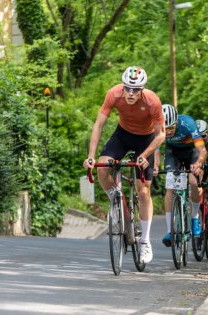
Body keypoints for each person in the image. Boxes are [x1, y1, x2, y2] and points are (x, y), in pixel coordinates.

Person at [83, 66, 165, 264]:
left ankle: (145, 241)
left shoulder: (152, 100)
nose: (130, 93)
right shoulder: (113, 94)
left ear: (142, 89)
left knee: (143, 191)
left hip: (146, 140)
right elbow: (99, 124)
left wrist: (146, 155)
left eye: (135, 90)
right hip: (123, 135)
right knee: (102, 167)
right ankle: (116, 199)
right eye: (128, 88)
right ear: (123, 86)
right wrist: (91, 156)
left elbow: (161, 134)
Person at [159, 104, 207, 247]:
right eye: (165, 128)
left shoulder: (188, 124)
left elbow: (202, 150)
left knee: (193, 183)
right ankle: (170, 231)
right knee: (170, 188)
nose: (167, 132)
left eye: (171, 128)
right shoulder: (157, 126)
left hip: (191, 152)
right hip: (172, 153)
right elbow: (156, 149)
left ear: (177, 122)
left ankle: (194, 219)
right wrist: (155, 166)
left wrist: (198, 163)